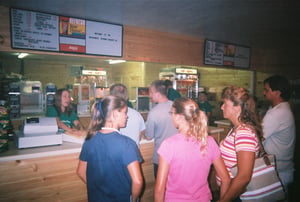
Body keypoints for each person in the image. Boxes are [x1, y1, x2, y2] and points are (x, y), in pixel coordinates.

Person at [154, 97, 230, 202]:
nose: (171, 116)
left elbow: (159, 190)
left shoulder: (169, 145)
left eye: (171, 113)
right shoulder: (209, 141)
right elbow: (225, 179)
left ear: (178, 117)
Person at [76, 96, 143, 202]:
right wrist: (133, 199)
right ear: (115, 114)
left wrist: (98, 188)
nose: (127, 116)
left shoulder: (89, 141)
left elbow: (80, 171)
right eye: (125, 112)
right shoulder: (127, 144)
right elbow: (138, 181)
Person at [218, 86, 262, 201]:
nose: (222, 107)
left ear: (237, 108)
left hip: (239, 197)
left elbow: (243, 177)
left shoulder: (244, 133)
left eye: (225, 104)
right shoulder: (237, 128)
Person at [262, 75, 295, 192]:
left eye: (266, 90)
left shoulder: (277, 113)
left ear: (277, 93)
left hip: (278, 171)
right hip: (282, 168)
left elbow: (258, 137)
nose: (263, 93)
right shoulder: (281, 109)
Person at [145, 80, 178, 178]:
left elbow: (148, 137)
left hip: (161, 157)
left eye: (151, 92)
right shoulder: (177, 106)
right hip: (178, 156)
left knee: (161, 187)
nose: (149, 95)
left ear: (158, 94)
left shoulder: (154, 112)